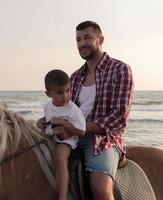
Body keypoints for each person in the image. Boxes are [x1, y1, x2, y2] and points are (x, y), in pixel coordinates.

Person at [52, 21, 134, 200]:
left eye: (87, 37)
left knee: (100, 188)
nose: (82, 44)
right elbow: (65, 108)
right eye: (78, 39)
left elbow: (119, 117)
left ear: (100, 39)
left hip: (102, 139)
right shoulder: (74, 77)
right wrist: (50, 121)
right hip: (72, 135)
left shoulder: (120, 70)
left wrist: (78, 128)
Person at [36, 69, 86, 200]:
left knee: (60, 158)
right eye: (59, 92)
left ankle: (62, 196)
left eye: (68, 90)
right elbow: (47, 122)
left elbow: (81, 131)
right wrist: (40, 122)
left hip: (67, 141)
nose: (65, 95)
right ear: (48, 93)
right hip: (51, 137)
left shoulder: (72, 109)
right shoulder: (48, 106)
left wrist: (63, 124)